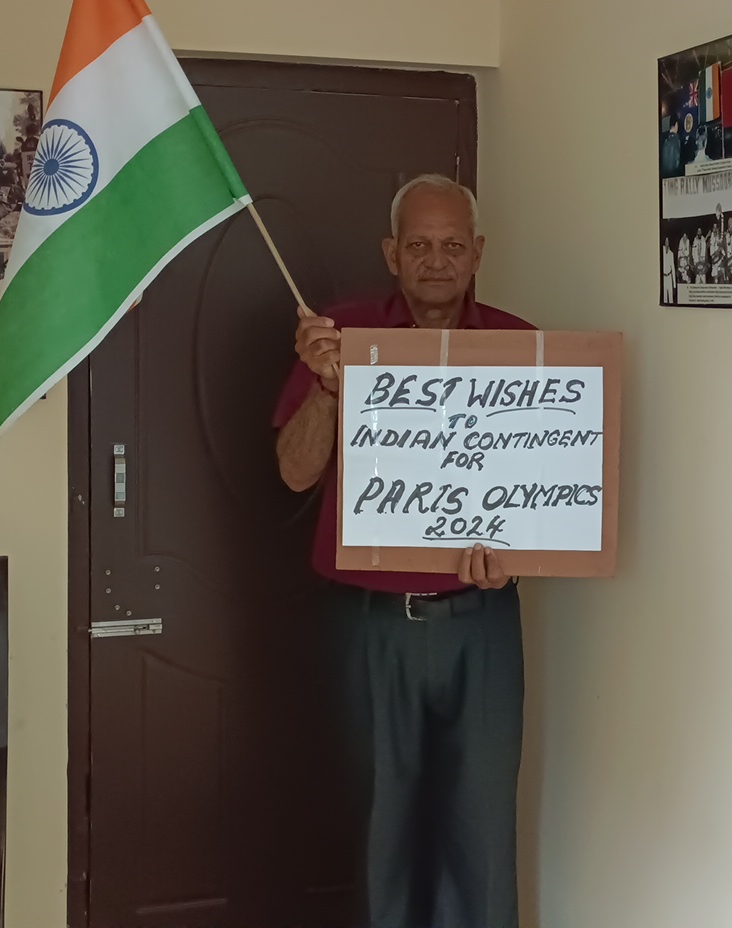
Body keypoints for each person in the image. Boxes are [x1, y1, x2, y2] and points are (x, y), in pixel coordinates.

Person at [274, 173, 528, 928]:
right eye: (419, 244)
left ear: (478, 251)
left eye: (453, 245)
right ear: (391, 252)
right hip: (370, 626)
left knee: (481, 833)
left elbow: (552, 495)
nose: (437, 260)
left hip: (481, 622)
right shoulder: (339, 336)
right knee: (379, 829)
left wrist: (525, 552)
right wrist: (327, 387)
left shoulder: (524, 345)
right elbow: (294, 473)